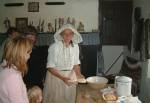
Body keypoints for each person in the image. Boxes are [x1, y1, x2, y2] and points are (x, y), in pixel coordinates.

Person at [42, 24, 84, 103]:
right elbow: (50, 67)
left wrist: (78, 74)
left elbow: (76, 63)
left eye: (70, 34)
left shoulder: (75, 46)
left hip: (71, 76)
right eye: (65, 34)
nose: (68, 36)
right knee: (56, 99)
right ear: (61, 34)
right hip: (56, 77)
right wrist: (62, 78)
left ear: (73, 35)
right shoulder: (54, 47)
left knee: (69, 99)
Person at [0, 36, 33, 103]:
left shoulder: (4, 66)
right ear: (20, 54)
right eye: (28, 53)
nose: (29, 56)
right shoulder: (13, 77)